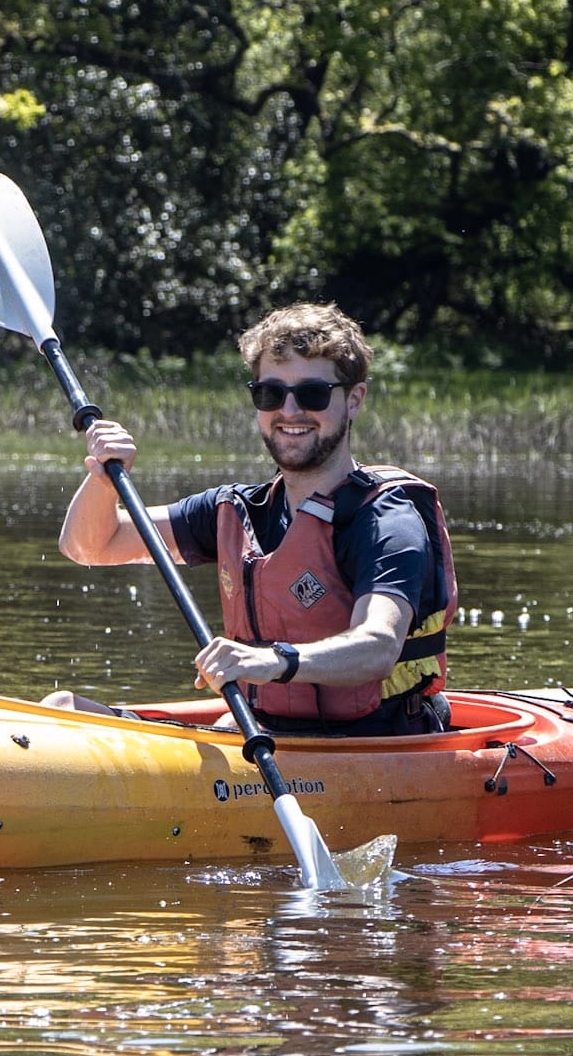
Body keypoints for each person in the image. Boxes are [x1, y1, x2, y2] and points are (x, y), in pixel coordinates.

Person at [50, 302, 458, 736]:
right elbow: (90, 545)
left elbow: (377, 647)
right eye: (270, 393)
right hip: (264, 734)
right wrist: (103, 478)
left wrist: (270, 661)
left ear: (353, 399)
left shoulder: (384, 520)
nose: (290, 410)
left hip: (373, 741)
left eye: (312, 394)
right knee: (62, 708)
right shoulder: (237, 510)